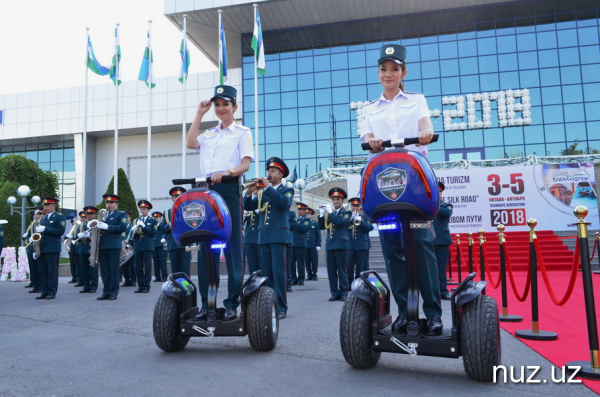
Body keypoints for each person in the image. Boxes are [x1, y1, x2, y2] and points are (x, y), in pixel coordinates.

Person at [360, 44, 442, 336]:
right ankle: (404, 312)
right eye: (384, 69)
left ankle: (432, 314)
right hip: (385, 185)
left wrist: (425, 132)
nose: (388, 74)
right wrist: (371, 140)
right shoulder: (368, 108)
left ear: (403, 72)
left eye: (394, 69)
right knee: (393, 250)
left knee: (421, 247)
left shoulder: (416, 100)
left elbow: (425, 122)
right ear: (378, 73)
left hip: (415, 185)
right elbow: (366, 134)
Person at [186, 85, 254, 321]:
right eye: (217, 104)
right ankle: (207, 304)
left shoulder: (242, 132)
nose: (221, 108)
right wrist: (199, 114)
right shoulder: (209, 134)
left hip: (228, 188)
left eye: (226, 104)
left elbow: (245, 165)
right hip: (206, 191)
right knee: (206, 247)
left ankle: (232, 302)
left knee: (233, 246)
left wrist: (227, 172)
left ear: (234, 107)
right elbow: (191, 143)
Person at [243, 157, 294, 319]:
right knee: (266, 273)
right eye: (269, 171)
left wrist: (266, 187)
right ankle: (269, 305)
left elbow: (283, 203)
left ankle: (282, 307)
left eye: (273, 171)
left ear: (280, 174)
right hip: (263, 236)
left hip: (278, 236)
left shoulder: (286, 189)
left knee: (279, 273)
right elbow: (249, 206)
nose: (269, 174)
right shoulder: (265, 192)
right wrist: (249, 192)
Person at [319, 188, 352, 301]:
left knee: (342, 270)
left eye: (338, 199)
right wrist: (321, 215)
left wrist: (331, 212)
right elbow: (321, 226)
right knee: (331, 271)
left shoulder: (347, 212)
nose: (335, 201)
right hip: (330, 244)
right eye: (334, 199)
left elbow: (339, 222)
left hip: (341, 245)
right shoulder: (330, 213)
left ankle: (344, 292)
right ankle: (334, 292)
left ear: (342, 201)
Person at [96, 194, 128, 301]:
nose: (108, 205)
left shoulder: (121, 214)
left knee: (113, 270)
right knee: (105, 270)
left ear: (116, 204)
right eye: (107, 203)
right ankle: (106, 291)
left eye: (111, 203)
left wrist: (107, 226)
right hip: (103, 245)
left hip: (113, 246)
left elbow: (122, 227)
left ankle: (113, 292)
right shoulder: (103, 215)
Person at [35, 197, 66, 300]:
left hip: (52, 247)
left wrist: (45, 228)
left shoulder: (59, 217)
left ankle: (52, 291)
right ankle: (44, 290)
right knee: (42, 270)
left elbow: (60, 231)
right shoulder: (43, 218)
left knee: (52, 270)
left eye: (47, 205)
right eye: (44, 205)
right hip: (43, 247)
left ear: (53, 206)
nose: (45, 207)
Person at [160, 186, 191, 276]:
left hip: (185, 243)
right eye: (175, 197)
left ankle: (186, 289)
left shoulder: (189, 211)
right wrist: (170, 224)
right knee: (175, 271)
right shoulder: (167, 213)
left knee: (185, 270)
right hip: (172, 244)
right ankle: (177, 288)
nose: (178, 198)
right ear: (172, 199)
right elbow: (163, 229)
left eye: (180, 196)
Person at [131, 200, 157, 293]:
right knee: (138, 267)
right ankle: (140, 285)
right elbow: (131, 236)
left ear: (148, 210)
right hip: (137, 246)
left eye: (144, 209)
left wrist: (144, 226)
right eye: (141, 209)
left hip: (147, 246)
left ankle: (147, 285)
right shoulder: (135, 221)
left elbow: (153, 233)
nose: (142, 211)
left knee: (147, 267)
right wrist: (133, 230)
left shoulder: (152, 221)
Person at [433, 181, 453, 301]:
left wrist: (434, 205)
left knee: (441, 267)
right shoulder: (427, 206)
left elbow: (447, 213)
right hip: (428, 239)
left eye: (440, 192)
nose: (439, 193)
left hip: (442, 240)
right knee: (429, 268)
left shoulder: (446, 205)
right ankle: (431, 291)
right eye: (437, 192)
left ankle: (443, 291)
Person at [347, 198, 374, 284]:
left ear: (360, 207)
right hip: (350, 245)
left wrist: (360, 220)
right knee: (349, 266)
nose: (355, 208)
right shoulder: (347, 217)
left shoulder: (364, 217)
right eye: (353, 206)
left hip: (361, 245)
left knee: (361, 267)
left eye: (357, 206)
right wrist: (351, 219)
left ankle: (359, 284)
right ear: (351, 207)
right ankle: (349, 284)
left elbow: (369, 228)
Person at [77, 206, 99, 293]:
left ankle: (93, 286)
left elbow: (99, 235)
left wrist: (89, 236)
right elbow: (76, 236)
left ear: (95, 214)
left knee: (93, 268)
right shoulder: (82, 225)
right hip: (82, 249)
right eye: (88, 214)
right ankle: (86, 285)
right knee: (83, 269)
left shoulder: (97, 223)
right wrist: (79, 235)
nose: (89, 215)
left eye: (91, 213)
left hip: (92, 249)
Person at [24, 209, 43, 292]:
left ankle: (40, 286)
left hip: (39, 247)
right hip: (31, 247)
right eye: (35, 214)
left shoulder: (42, 223)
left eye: (39, 214)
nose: (36, 216)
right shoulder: (32, 224)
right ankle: (35, 285)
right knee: (33, 268)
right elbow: (29, 235)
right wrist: (27, 237)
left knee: (39, 268)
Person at [290, 202, 310, 286]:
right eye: (298, 209)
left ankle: (301, 278)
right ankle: (294, 278)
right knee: (291, 263)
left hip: (301, 243)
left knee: (300, 262)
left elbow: (302, 228)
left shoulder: (306, 219)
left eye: (301, 209)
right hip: (293, 243)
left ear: (304, 210)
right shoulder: (296, 219)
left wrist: (295, 223)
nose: (298, 211)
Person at [243, 206, 261, 275]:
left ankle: (262, 281)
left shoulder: (262, 205)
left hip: (258, 238)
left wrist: (257, 211)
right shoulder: (248, 208)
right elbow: (242, 222)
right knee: (251, 264)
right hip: (248, 239)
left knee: (261, 263)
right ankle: (253, 281)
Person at [305, 208, 321, 281]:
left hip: (313, 245)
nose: (307, 216)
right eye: (306, 214)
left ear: (311, 215)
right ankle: (309, 274)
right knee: (307, 261)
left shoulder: (315, 223)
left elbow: (318, 235)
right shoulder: (303, 222)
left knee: (314, 260)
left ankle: (315, 274)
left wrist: (318, 244)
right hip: (305, 245)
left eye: (308, 214)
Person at [121, 211, 137, 287]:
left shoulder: (132, 226)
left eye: (128, 217)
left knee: (132, 265)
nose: (127, 218)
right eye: (125, 217)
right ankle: (127, 280)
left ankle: (133, 280)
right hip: (123, 248)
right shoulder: (122, 226)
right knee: (124, 265)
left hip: (131, 247)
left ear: (130, 218)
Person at [152, 211, 168, 282]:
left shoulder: (162, 225)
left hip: (162, 245)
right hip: (154, 245)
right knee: (156, 262)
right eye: (155, 217)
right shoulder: (153, 225)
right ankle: (157, 276)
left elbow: (165, 230)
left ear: (160, 218)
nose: (157, 219)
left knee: (163, 262)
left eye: (158, 217)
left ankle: (164, 276)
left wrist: (159, 224)